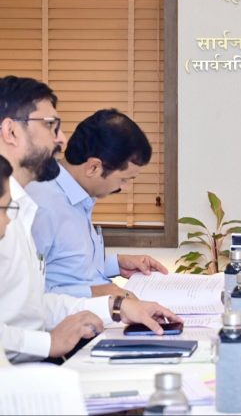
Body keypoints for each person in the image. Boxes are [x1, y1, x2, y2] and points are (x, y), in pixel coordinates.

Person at [0, 76, 180, 363]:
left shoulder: (23, 205)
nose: (61, 139)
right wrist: (48, 343)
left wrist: (114, 305)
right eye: (50, 125)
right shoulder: (32, 205)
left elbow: (31, 304)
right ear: (10, 131)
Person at [27, 109, 167, 299]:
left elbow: (67, 269)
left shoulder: (79, 196)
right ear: (93, 167)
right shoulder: (41, 206)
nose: (125, 188)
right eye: (124, 179)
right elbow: (22, 295)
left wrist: (116, 264)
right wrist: (96, 293)